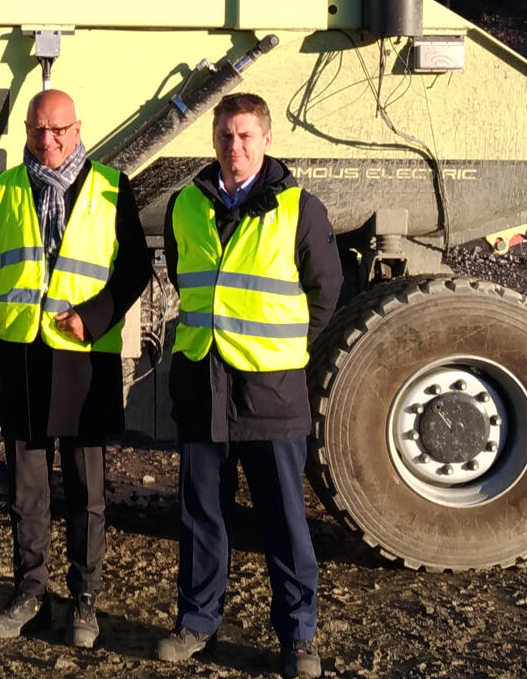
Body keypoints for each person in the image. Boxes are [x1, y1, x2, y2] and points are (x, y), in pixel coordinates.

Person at [154, 92, 339, 679]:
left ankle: (298, 637)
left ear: (266, 139)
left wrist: (284, 351)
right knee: (201, 516)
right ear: (213, 140)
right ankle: (196, 623)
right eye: (225, 136)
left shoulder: (299, 209)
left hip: (270, 391)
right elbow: (185, 278)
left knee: (283, 519)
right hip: (201, 383)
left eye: (245, 136)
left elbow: (325, 292)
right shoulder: (186, 204)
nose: (234, 147)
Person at [0, 89, 153, 648]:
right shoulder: (3, 189)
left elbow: (135, 268)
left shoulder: (112, 187)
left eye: (58, 130)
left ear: (78, 129)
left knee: (86, 490)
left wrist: (93, 318)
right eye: (37, 129)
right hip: (21, 357)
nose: (47, 140)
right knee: (26, 491)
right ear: (26, 130)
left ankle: (84, 599)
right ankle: (30, 592)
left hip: (83, 360)